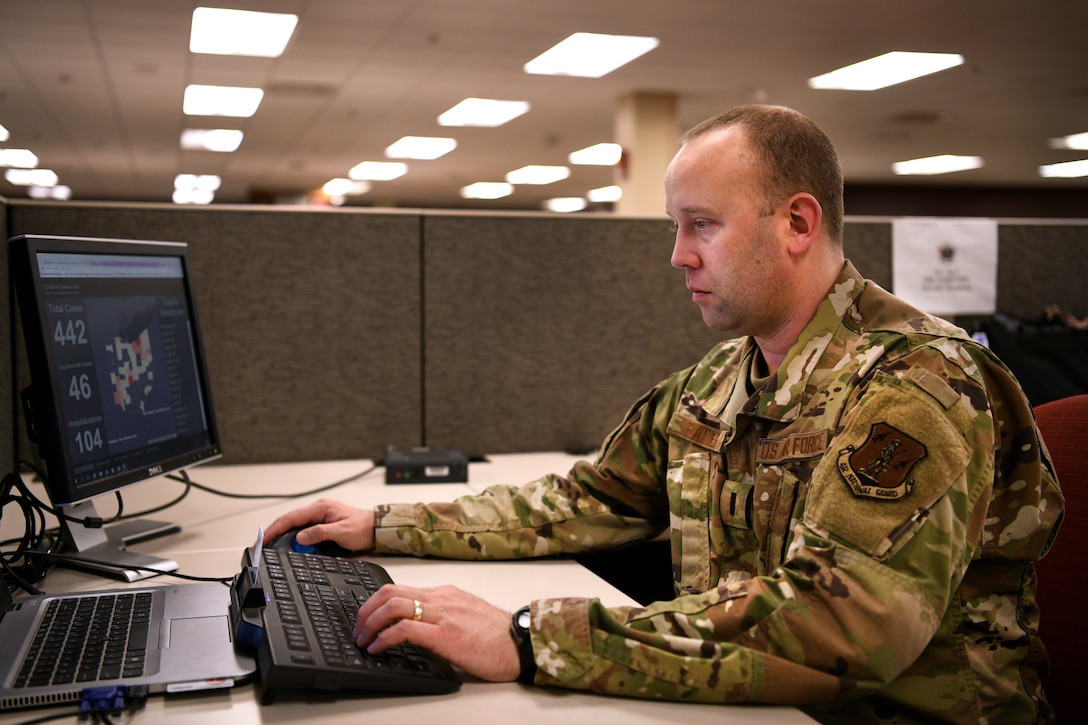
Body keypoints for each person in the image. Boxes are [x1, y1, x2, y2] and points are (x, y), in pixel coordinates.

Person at [264, 105, 1063, 723]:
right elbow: (580, 503)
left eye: (701, 226)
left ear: (797, 223)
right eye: (675, 227)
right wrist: (384, 523)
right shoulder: (716, 384)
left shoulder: (918, 385)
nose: (678, 255)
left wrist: (528, 636)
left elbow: (840, 622)